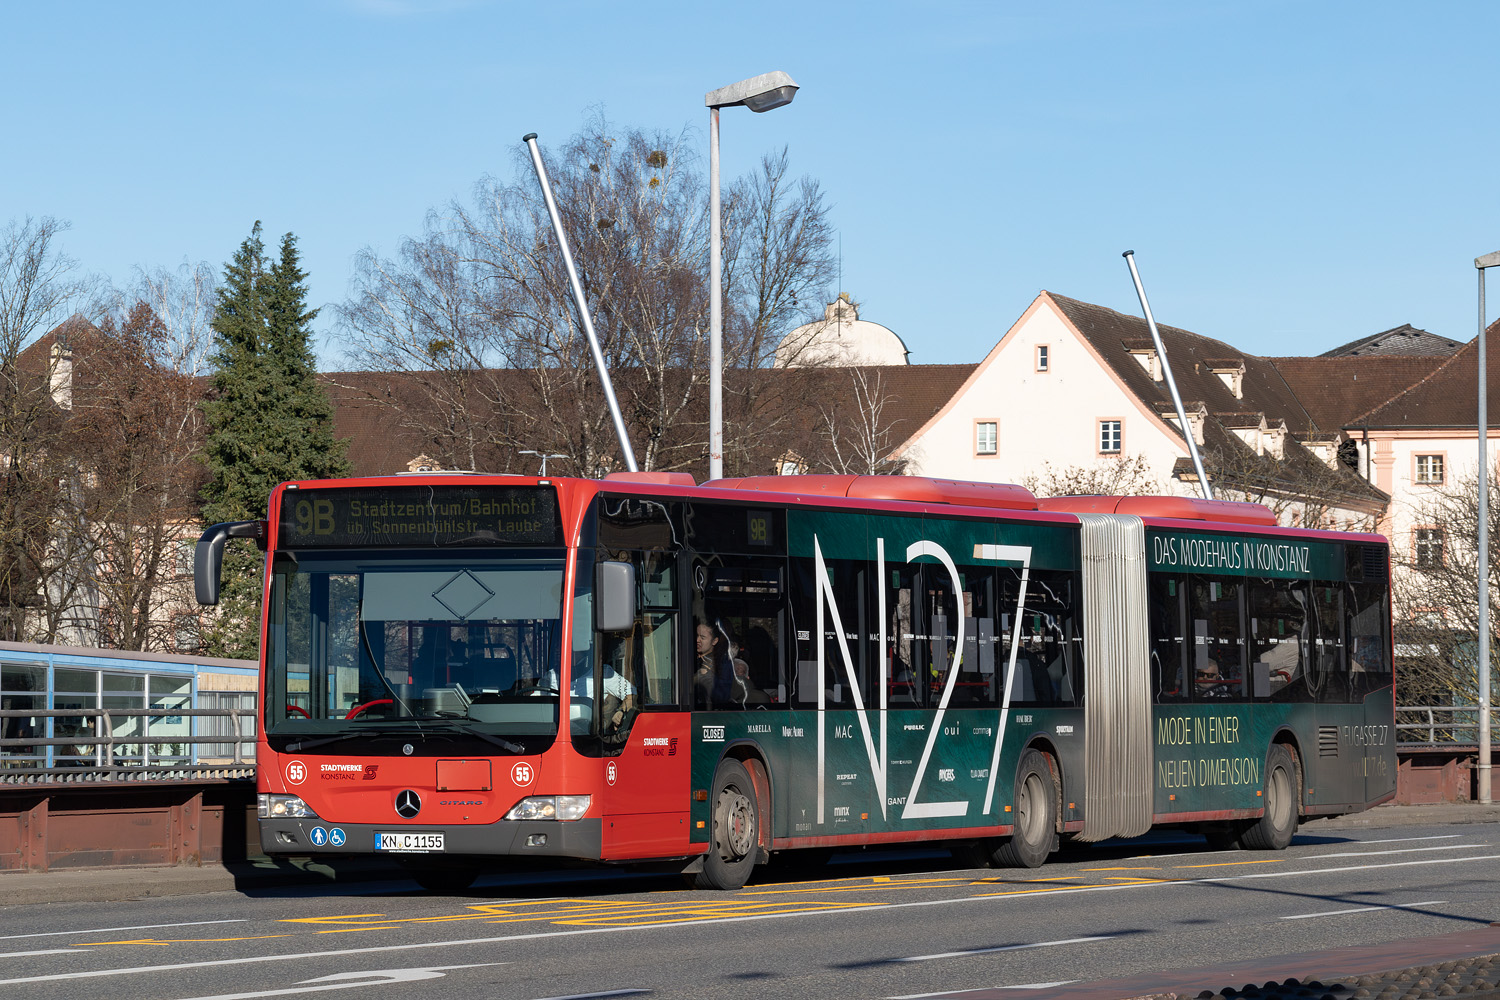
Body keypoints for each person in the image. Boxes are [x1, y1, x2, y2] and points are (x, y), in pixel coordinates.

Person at [694, 622, 735, 709]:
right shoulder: (689, 657)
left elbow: (722, 696)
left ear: (714, 641)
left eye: (702, 637)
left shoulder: (722, 662)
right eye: (696, 636)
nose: (697, 640)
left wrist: (704, 677)